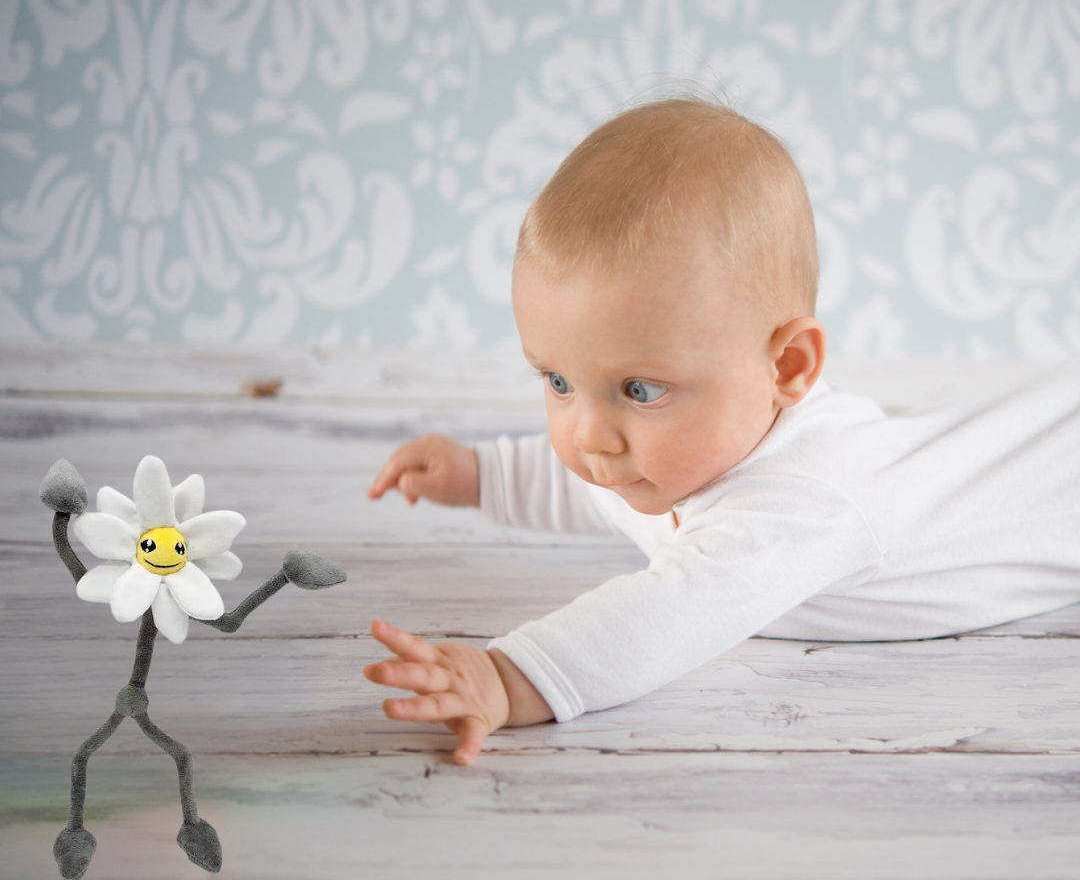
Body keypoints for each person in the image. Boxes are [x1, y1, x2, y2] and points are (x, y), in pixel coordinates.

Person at [364, 97, 1080, 766]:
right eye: (556, 382)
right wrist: (484, 475)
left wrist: (507, 677)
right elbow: (591, 489)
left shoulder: (802, 499)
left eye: (640, 390)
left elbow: (669, 614)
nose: (590, 437)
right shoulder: (665, 454)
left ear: (787, 366)